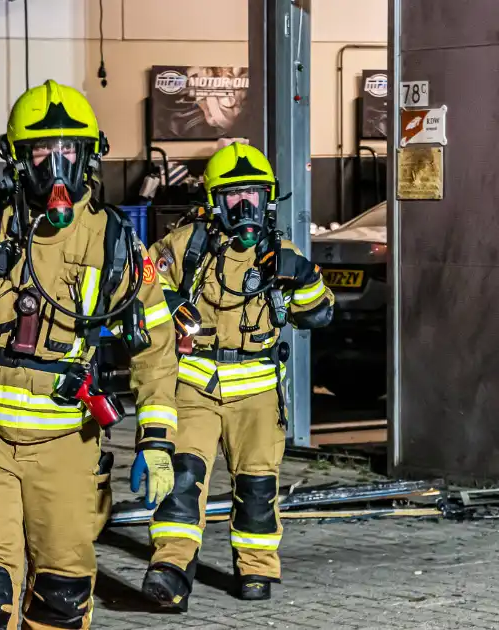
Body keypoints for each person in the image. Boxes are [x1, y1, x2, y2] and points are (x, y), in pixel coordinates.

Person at [0, 80, 179, 630]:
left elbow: (157, 349)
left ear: (89, 154)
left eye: (69, 150)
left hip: (67, 443)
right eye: (42, 151)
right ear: (18, 158)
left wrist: (158, 441)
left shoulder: (115, 241)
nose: (57, 165)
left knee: (63, 594)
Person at [140, 142, 334, 609]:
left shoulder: (280, 253)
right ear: (213, 201)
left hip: (258, 392)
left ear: (268, 198)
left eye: (254, 194)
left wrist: (303, 276)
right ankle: (171, 568)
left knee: (258, 483)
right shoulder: (186, 245)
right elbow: (144, 287)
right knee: (182, 478)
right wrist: (171, 305)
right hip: (196, 385)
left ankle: (256, 570)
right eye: (233, 196)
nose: (245, 206)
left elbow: (320, 313)